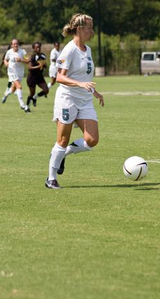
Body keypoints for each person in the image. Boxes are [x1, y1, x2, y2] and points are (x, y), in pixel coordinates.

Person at [45, 13, 104, 189]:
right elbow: (60, 77)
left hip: (85, 101)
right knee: (62, 140)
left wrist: (95, 91)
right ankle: (51, 178)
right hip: (68, 99)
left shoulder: (88, 50)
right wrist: (80, 84)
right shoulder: (69, 50)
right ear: (79, 29)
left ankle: (63, 155)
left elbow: (84, 76)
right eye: (89, 28)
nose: (92, 31)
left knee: (92, 140)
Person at [2, 39, 30, 113]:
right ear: (11, 45)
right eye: (14, 44)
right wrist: (6, 63)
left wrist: (21, 60)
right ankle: (22, 105)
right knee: (19, 87)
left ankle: (6, 94)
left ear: (18, 44)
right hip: (12, 72)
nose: (15, 45)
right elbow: (5, 59)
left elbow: (28, 60)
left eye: (16, 44)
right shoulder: (9, 52)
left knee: (13, 90)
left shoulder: (22, 52)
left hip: (20, 73)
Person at [26, 42, 49, 108]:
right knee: (31, 93)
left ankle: (35, 97)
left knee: (46, 90)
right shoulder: (32, 56)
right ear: (34, 48)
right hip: (32, 77)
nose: (38, 48)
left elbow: (44, 65)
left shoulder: (43, 56)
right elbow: (29, 68)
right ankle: (27, 107)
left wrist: (44, 65)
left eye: (39, 47)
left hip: (39, 76)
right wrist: (38, 66)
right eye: (36, 47)